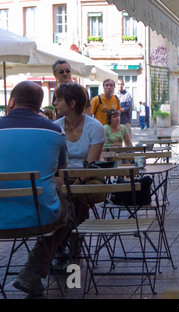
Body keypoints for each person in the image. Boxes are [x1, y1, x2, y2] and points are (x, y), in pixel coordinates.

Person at [0, 81, 69, 297]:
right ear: (40, 105)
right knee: (71, 210)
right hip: (41, 218)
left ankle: (33, 274)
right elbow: (61, 167)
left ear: (11, 102)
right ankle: (32, 271)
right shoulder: (55, 131)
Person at [53, 83, 106, 269]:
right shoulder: (55, 128)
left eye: (58, 99)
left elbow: (89, 166)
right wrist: (62, 183)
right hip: (61, 176)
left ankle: (63, 249)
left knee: (76, 195)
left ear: (72, 103)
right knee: (69, 197)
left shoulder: (95, 127)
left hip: (89, 176)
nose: (54, 103)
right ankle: (72, 250)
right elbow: (52, 165)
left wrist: (71, 186)